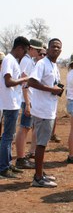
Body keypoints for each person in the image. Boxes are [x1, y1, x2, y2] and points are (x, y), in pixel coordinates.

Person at [28, 38, 64, 187]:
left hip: (49, 108)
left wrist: (57, 89)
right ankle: (38, 178)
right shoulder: (42, 63)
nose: (56, 49)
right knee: (41, 144)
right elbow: (31, 81)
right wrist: (51, 90)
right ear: (47, 49)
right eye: (53, 47)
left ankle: (40, 172)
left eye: (58, 47)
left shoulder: (53, 65)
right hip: (42, 110)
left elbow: (52, 84)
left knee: (43, 143)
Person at [0, 36, 30, 178]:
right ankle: (3, 168)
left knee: (9, 135)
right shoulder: (9, 60)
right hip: (9, 103)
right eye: (24, 52)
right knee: (7, 136)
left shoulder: (12, 61)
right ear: (19, 48)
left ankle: (7, 164)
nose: (24, 55)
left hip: (13, 102)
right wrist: (24, 79)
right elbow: (8, 81)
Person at [14, 39, 42, 169]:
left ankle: (21, 156)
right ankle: (20, 158)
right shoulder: (26, 60)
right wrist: (27, 103)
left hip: (28, 99)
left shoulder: (29, 60)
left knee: (26, 128)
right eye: (37, 50)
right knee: (24, 128)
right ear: (31, 49)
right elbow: (24, 81)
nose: (39, 52)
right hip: (26, 99)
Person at [26, 47, 48, 159]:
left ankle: (32, 150)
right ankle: (31, 151)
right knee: (29, 128)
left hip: (39, 103)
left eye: (45, 54)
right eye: (41, 54)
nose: (43, 56)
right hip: (33, 102)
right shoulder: (33, 66)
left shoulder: (43, 66)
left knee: (35, 128)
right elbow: (26, 84)